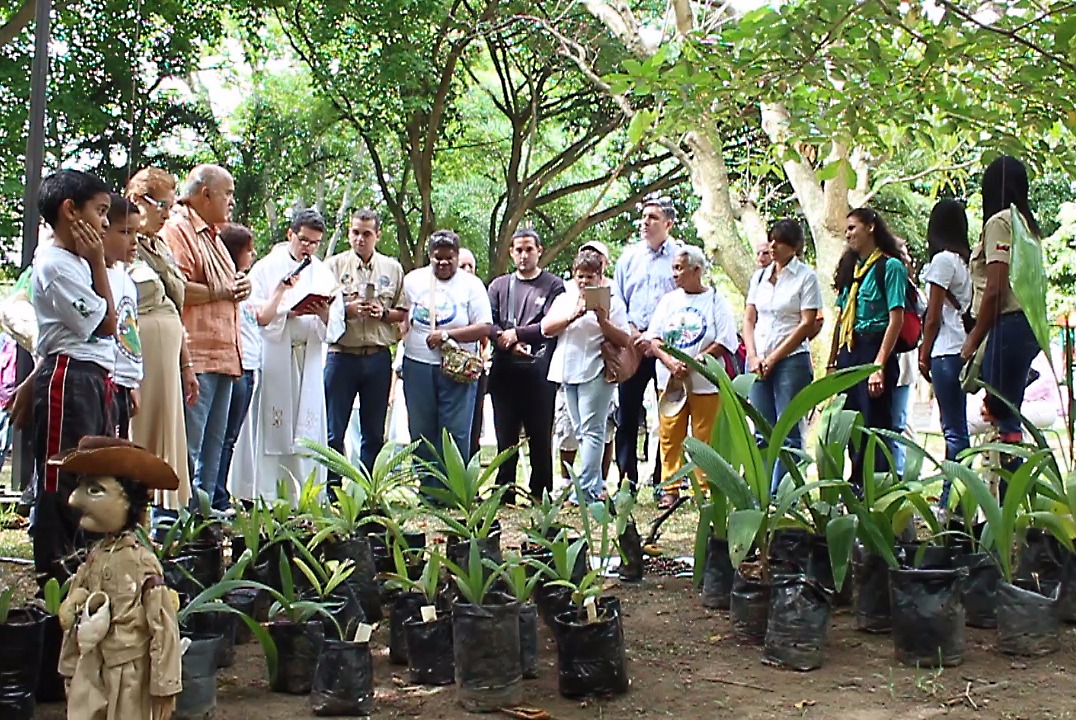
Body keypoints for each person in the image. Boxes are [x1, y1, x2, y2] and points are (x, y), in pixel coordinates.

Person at [52, 437, 182, 720]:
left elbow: (163, 625)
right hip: (92, 663)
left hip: (128, 674)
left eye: (95, 490)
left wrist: (165, 685)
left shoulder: (143, 564)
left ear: (128, 501)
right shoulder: (95, 557)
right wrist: (70, 664)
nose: (75, 499)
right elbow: (77, 605)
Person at [30, 169, 118, 585]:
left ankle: (81, 560)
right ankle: (54, 567)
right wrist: (99, 259)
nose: (105, 223)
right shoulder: (56, 266)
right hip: (70, 374)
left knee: (89, 470)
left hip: (94, 374)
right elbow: (106, 323)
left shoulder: (76, 264)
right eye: (100, 212)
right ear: (70, 211)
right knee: (62, 471)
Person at [163, 164, 247, 511]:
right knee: (189, 447)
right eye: (226, 193)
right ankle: (172, 522)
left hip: (225, 356)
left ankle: (202, 517)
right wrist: (226, 290)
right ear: (205, 194)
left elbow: (227, 288)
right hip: (195, 356)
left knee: (213, 449)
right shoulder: (178, 229)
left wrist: (239, 286)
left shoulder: (213, 234)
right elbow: (177, 289)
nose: (230, 201)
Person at [236, 209, 337, 501]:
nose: (308, 247)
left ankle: (305, 493)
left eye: (315, 242)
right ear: (290, 234)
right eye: (303, 239)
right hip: (277, 354)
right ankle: (267, 491)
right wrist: (286, 311)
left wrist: (325, 313)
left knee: (307, 425)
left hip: (309, 356)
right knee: (273, 423)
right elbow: (255, 314)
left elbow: (337, 322)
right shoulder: (266, 268)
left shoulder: (322, 271)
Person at [962, 156, 1043, 490]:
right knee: (1007, 412)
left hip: (1006, 324)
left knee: (1002, 414)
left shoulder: (1000, 221)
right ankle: (1011, 506)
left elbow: (996, 287)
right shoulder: (1027, 226)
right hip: (1026, 325)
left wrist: (974, 337)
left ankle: (1007, 510)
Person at [645, 245, 738, 508]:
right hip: (672, 380)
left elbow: (725, 340)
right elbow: (654, 338)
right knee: (669, 434)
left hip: (704, 381)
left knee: (704, 435)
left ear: (696, 270)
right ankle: (670, 488)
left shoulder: (716, 299)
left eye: (679, 268)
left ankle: (705, 486)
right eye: (673, 268)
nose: (674, 274)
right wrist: (671, 362)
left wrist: (694, 362)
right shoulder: (668, 301)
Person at [126, 167, 197, 511]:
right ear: (137, 201)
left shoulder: (161, 246)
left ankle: (165, 513)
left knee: (170, 434)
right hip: (141, 353)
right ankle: (135, 507)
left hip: (169, 351)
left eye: (171, 206)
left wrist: (186, 363)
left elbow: (174, 306)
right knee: (142, 430)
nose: (167, 214)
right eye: (161, 205)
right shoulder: (123, 245)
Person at [401, 230, 493, 493]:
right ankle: (428, 488)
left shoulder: (471, 285)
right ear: (429, 256)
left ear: (457, 255)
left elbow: (485, 326)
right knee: (421, 427)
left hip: (456, 367)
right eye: (437, 258)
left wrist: (447, 335)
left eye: (448, 258)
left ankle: (453, 488)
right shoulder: (413, 281)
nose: (442, 264)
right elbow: (402, 316)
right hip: (417, 363)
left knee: (455, 429)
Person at [827, 207, 908, 489]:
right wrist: (832, 362)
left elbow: (895, 318)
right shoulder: (851, 269)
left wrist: (879, 366)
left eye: (852, 227)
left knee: (875, 426)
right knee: (851, 425)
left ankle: (879, 490)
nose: (848, 234)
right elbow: (840, 318)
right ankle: (856, 488)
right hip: (850, 351)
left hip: (875, 349)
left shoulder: (890, 267)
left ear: (871, 227)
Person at [543, 248, 632, 504]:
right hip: (567, 369)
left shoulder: (612, 300)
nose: (584, 282)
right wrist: (575, 314)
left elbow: (625, 338)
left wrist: (602, 320)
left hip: (596, 369)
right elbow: (546, 328)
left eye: (590, 277)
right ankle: (590, 485)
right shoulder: (565, 298)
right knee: (580, 430)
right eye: (580, 276)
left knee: (594, 430)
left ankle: (587, 489)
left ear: (600, 276)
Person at [323, 208, 405, 479]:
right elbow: (320, 308)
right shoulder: (333, 266)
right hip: (342, 355)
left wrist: (381, 313)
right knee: (334, 429)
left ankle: (368, 490)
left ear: (377, 235)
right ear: (349, 233)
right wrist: (347, 309)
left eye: (367, 234)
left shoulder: (392, 269)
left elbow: (403, 313)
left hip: (377, 357)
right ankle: (332, 491)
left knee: (373, 431)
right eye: (355, 232)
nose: (360, 239)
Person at [743, 220, 823, 491]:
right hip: (758, 359)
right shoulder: (759, 277)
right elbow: (749, 317)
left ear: (796, 246)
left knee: (788, 432)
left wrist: (774, 357)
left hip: (790, 360)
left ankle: (783, 494)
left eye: (781, 241)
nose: (774, 246)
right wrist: (753, 355)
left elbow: (806, 323)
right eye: (771, 240)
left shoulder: (806, 277)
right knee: (762, 431)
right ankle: (761, 493)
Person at [487, 229, 566, 503]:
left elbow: (552, 321)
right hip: (505, 370)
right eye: (518, 250)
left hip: (539, 370)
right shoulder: (498, 286)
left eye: (529, 249)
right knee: (504, 435)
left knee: (540, 434)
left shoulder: (554, 285)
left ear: (539, 250)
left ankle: (541, 491)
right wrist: (507, 342)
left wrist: (519, 335)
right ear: (511, 252)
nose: (523, 255)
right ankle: (503, 492)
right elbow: (490, 323)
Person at [614, 197, 679, 496]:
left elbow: (686, 302)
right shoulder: (628, 258)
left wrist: (658, 340)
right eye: (643, 216)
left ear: (668, 223)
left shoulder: (681, 256)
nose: (645, 222)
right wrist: (633, 333)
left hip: (667, 349)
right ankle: (626, 481)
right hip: (632, 345)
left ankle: (662, 480)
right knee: (626, 415)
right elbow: (618, 300)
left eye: (653, 217)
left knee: (668, 415)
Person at [917, 199, 972, 508]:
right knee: (957, 429)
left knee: (953, 433)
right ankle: (957, 498)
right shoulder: (962, 262)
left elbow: (933, 316)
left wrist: (923, 354)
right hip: (960, 349)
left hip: (944, 352)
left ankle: (952, 501)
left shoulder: (942, 261)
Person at [217, 225, 259, 502]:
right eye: (248, 250)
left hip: (251, 364)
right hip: (236, 365)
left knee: (230, 436)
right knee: (221, 436)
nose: (253, 254)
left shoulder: (245, 283)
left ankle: (220, 491)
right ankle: (214, 494)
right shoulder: (227, 285)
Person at [103, 195, 143, 440]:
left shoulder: (125, 278)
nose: (134, 241)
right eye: (125, 232)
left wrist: (132, 383)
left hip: (124, 385)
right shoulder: (95, 275)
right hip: (106, 382)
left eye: (137, 232)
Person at [458, 247, 491, 460]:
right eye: (463, 266)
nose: (468, 270)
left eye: (471, 266)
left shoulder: (480, 295)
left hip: (475, 369)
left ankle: (470, 481)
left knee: (474, 425)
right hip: (447, 368)